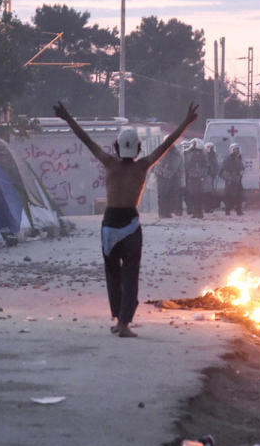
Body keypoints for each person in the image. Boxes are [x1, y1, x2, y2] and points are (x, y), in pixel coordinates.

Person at [53, 100, 198, 338]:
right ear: (138, 149)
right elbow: (167, 143)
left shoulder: (109, 163)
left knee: (113, 274)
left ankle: (119, 319)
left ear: (117, 148)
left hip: (109, 223)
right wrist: (186, 121)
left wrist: (67, 117)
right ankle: (124, 323)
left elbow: (86, 140)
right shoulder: (142, 166)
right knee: (130, 275)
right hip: (130, 223)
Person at [183, 138, 208, 219]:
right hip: (191, 176)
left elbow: (205, 166)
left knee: (198, 195)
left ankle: (199, 213)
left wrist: (200, 174)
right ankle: (195, 212)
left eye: (194, 144)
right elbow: (186, 163)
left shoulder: (201, 154)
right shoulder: (189, 152)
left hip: (198, 178)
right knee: (192, 195)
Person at [220, 143, 245, 216]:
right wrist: (230, 177)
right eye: (235, 149)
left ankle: (238, 210)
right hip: (230, 180)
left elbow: (241, 168)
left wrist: (239, 175)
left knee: (239, 195)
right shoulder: (228, 159)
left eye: (237, 149)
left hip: (237, 180)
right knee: (228, 196)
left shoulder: (239, 158)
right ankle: (227, 210)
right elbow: (223, 171)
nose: (236, 151)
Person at [203, 142, 220, 212]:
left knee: (210, 193)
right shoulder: (204, 156)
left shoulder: (214, 156)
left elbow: (216, 166)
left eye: (211, 148)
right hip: (205, 176)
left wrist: (214, 173)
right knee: (206, 193)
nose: (210, 149)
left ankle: (209, 207)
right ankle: (206, 208)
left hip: (211, 176)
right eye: (208, 147)